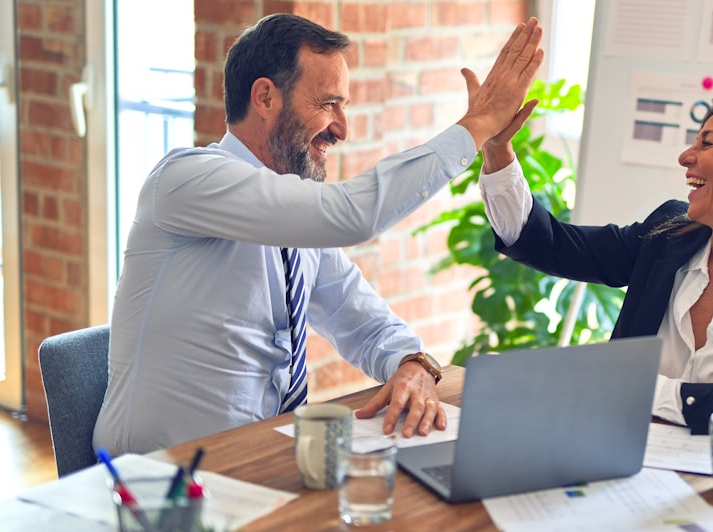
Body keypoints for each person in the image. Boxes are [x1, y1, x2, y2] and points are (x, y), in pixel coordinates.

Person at [93, 13, 543, 455]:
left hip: (261, 463)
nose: (342, 128)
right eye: (328, 103)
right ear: (265, 98)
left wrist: (412, 363)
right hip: (158, 484)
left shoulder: (295, 223)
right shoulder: (186, 180)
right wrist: (478, 125)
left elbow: (363, 320)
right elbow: (353, 214)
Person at [477, 87, 713, 446]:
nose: (686, 157)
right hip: (624, 463)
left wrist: (633, 388)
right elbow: (550, 244)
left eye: (707, 143)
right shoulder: (668, 237)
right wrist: (497, 149)